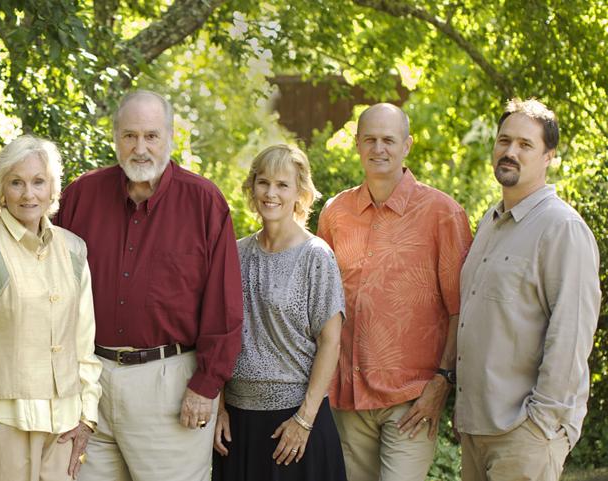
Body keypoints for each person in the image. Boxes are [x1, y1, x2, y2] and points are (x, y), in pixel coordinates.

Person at [55, 90, 243, 481]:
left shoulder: (204, 202)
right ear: (115, 137)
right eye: (130, 136)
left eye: (151, 136)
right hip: (91, 384)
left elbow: (224, 307)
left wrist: (206, 386)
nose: (140, 148)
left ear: (171, 137)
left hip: (170, 387)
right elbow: (52, 290)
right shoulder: (80, 196)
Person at [316, 103, 472, 481]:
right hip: (348, 396)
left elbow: (460, 311)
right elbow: (320, 304)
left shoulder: (443, 214)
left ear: (407, 146)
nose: (378, 148)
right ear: (356, 144)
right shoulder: (335, 213)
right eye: (370, 139)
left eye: (388, 139)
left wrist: (442, 383)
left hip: (412, 399)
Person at [0, 135, 102, 481]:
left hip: (64, 426)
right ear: (1, 190)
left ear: (53, 188)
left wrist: (87, 414)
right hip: (1, 424)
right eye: (17, 183)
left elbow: (84, 343)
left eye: (38, 182)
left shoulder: (74, 251)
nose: (29, 194)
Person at [454, 99, 600, 481]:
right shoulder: (490, 220)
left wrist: (541, 423)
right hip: (476, 429)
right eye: (504, 141)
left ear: (548, 156)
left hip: (523, 434)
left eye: (525, 145)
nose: (510, 152)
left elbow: (571, 335)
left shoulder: (561, 228)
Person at [213, 144, 346, 481]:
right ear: (252, 187)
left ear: (300, 194)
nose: (270, 193)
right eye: (263, 182)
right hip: (238, 426)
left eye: (282, 185)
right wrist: (220, 408)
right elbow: (219, 335)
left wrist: (304, 421)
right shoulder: (235, 254)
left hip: (295, 424)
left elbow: (330, 343)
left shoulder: (317, 257)